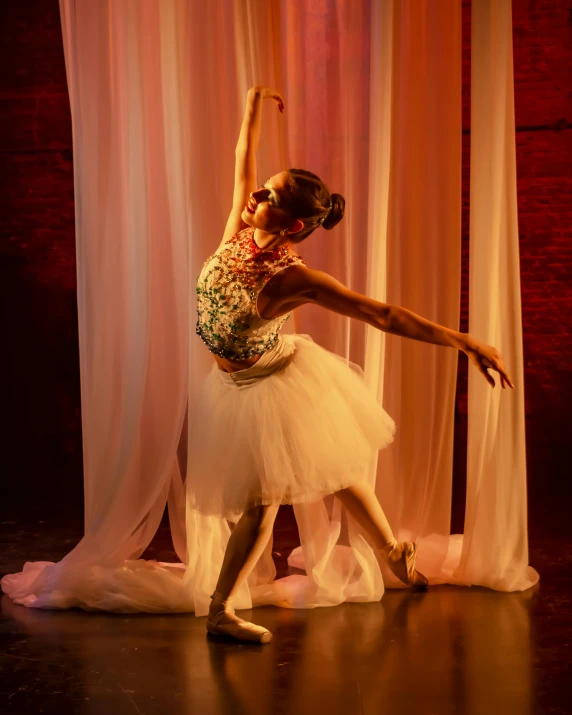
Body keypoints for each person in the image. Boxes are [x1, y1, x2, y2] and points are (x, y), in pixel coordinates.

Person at [191, 86, 514, 644]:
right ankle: (393, 551)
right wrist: (248, 104)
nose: (255, 196)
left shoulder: (295, 278)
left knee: (267, 499)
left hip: (272, 380)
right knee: (336, 470)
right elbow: (243, 163)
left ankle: (220, 612)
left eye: (269, 196)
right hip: (239, 383)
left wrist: (463, 341)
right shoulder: (238, 232)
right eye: (264, 188)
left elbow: (382, 314)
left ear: (293, 225)